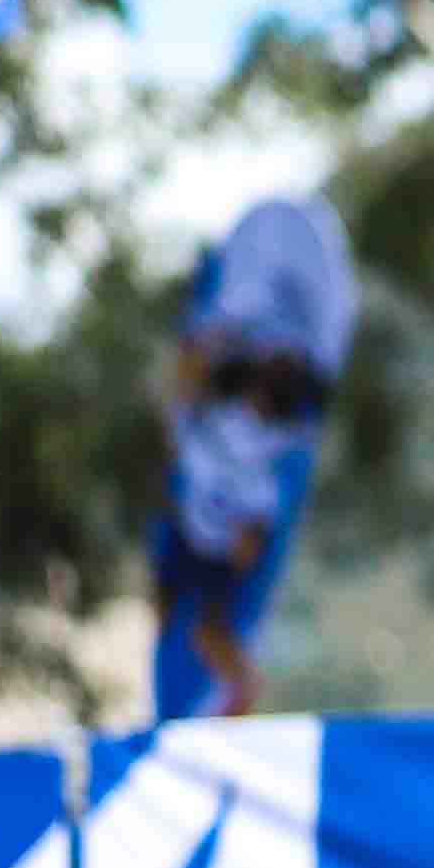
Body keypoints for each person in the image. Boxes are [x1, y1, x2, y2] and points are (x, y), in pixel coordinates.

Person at [153, 193, 355, 722]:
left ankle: (227, 696)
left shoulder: (274, 448)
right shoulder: (219, 398)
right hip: (200, 510)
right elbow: (189, 384)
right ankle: (208, 700)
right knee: (175, 612)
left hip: (216, 526)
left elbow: (254, 532)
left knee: (209, 623)